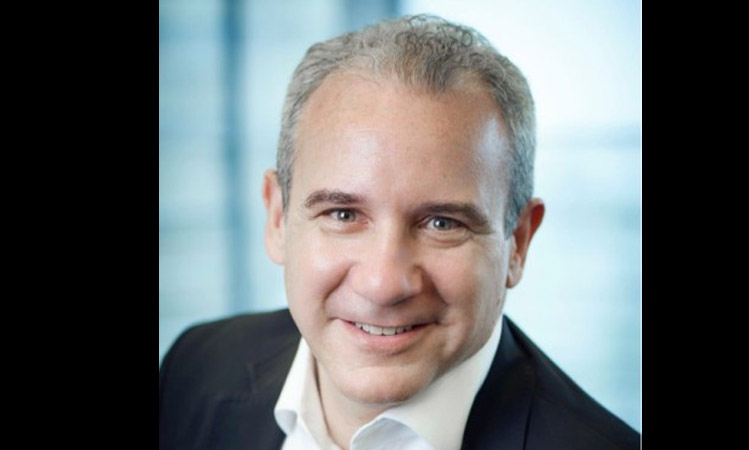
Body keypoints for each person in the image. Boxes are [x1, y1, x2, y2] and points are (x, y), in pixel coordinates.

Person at [159, 14, 640, 450]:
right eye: (343, 214)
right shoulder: (195, 369)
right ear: (278, 219)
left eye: (442, 223)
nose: (383, 284)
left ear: (517, 242)